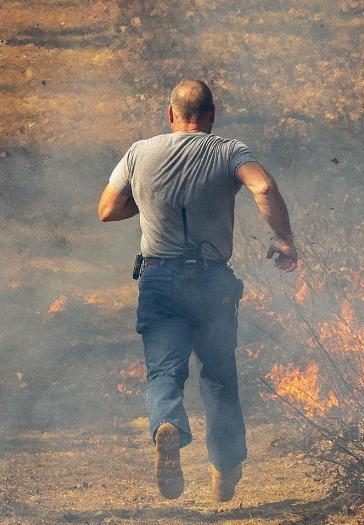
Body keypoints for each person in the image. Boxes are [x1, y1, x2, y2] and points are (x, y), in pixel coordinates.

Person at [97, 79, 298, 502]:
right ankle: (224, 470)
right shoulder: (228, 151)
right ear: (211, 116)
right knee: (219, 377)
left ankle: (167, 424)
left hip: (158, 279)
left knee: (164, 371)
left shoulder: (140, 151)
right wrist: (284, 241)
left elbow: (107, 209)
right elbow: (262, 187)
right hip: (211, 281)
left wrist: (150, 201)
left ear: (170, 114)